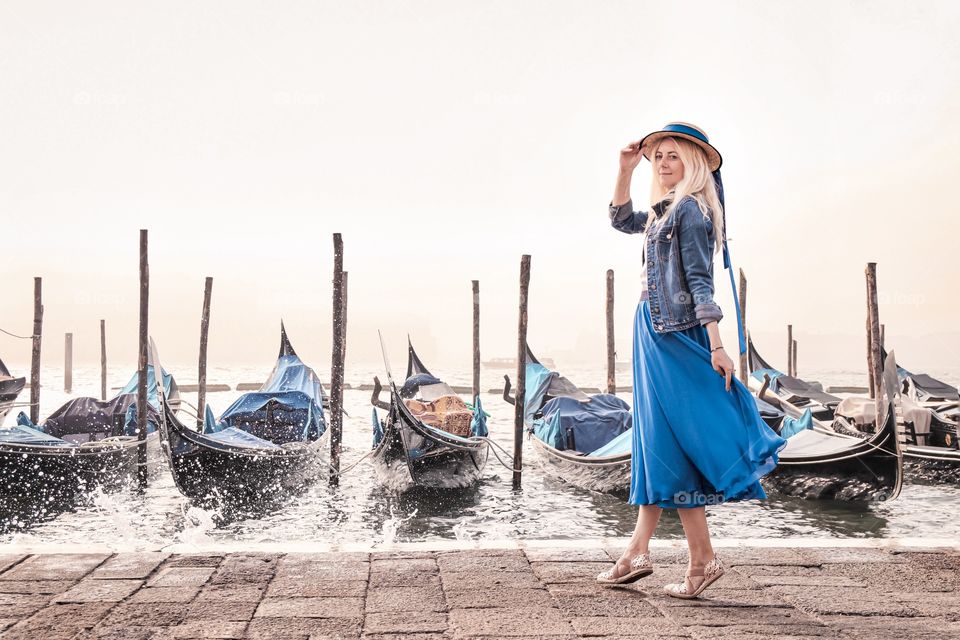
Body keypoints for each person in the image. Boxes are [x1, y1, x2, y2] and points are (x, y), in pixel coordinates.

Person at [596, 122, 786, 599]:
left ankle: (659, 554)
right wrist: (623, 169)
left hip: (677, 336)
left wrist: (718, 345)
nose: (662, 162)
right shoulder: (663, 211)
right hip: (651, 330)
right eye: (656, 155)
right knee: (658, 440)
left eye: (672, 155)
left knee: (667, 438)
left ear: (693, 162)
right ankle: (680, 556)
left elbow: (702, 284)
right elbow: (620, 220)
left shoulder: (692, 213)